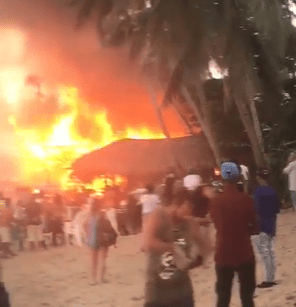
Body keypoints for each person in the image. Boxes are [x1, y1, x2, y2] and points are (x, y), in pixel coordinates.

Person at [143, 184, 212, 307]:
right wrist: (171, 248)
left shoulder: (189, 223)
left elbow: (205, 245)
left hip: (181, 288)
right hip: (157, 287)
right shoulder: (158, 216)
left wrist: (198, 260)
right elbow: (148, 242)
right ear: (177, 204)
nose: (188, 214)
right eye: (187, 208)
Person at [210, 161, 257, 307]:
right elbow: (254, 226)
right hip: (244, 252)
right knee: (247, 298)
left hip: (223, 252)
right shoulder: (246, 199)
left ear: (222, 178)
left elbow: (216, 223)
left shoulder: (215, 201)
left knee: (223, 298)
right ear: (238, 178)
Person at [253, 168, 280, 288]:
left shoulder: (258, 191)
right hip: (272, 222)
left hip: (261, 223)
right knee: (271, 251)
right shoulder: (273, 190)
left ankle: (269, 279)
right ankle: (271, 276)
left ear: (259, 178)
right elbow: (277, 208)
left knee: (264, 252)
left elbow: (256, 208)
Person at [84, 198, 117, 285]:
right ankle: (101, 279)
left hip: (92, 239)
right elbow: (108, 225)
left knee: (93, 261)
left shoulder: (89, 215)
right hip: (102, 238)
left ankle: (93, 280)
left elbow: (85, 225)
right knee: (102, 260)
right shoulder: (102, 214)